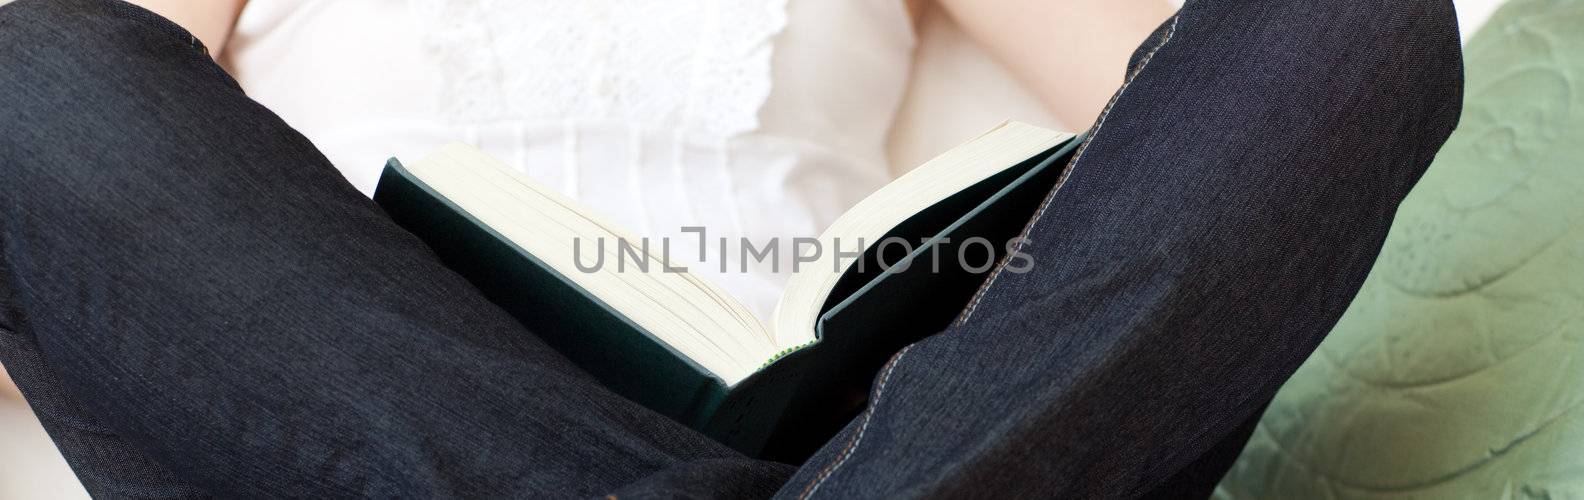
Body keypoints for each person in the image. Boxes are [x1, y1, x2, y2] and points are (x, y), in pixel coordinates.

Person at [0, 0, 1462, 497]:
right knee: (23, 68)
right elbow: (93, 194)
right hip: (377, 430)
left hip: (908, 429)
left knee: (1345, 24)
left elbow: (1196, 110)